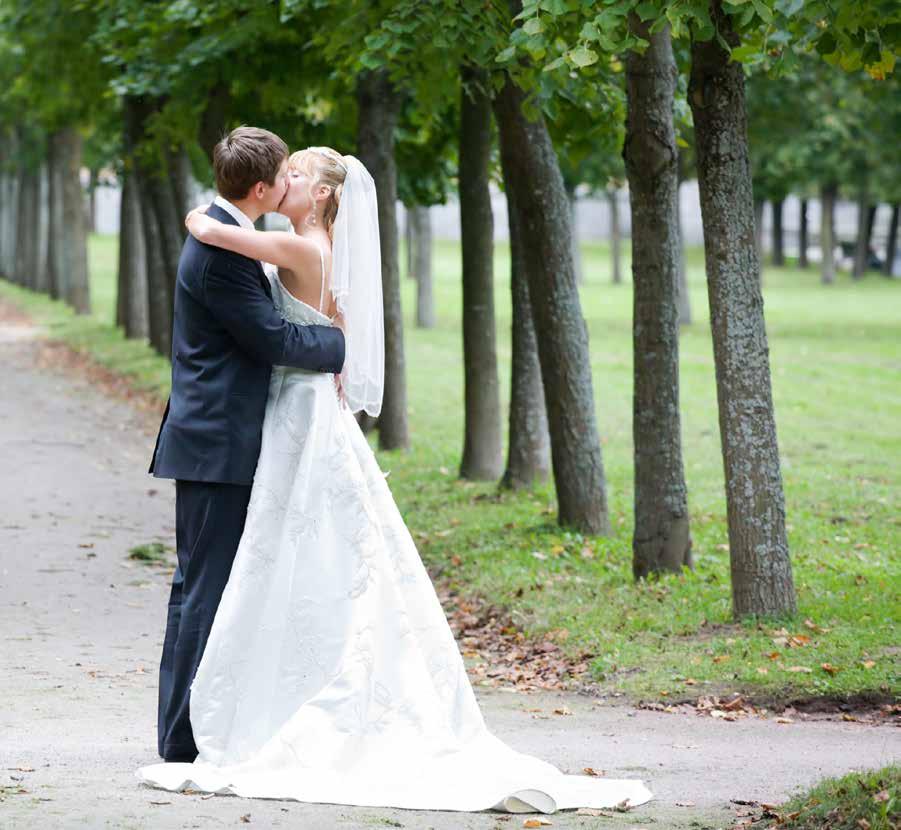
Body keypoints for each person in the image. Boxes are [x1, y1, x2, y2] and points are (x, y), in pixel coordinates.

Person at [137, 145, 654, 815]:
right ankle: (225, 716)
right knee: (265, 571)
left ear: (321, 196)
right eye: (283, 173)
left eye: (299, 176)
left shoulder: (284, 244)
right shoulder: (283, 241)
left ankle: (228, 722)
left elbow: (260, 298)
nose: (289, 182)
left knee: (276, 567)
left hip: (293, 413)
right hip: (272, 422)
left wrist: (206, 224)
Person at [148, 127, 346, 764]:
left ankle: (208, 722)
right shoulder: (223, 252)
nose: (290, 182)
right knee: (200, 588)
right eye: (284, 175)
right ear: (261, 188)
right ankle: (181, 737)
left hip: (231, 434)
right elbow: (275, 342)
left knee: (217, 584)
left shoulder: (226, 230)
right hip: (215, 442)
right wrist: (342, 347)